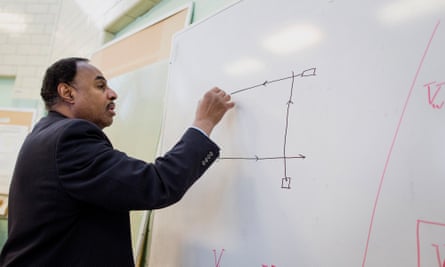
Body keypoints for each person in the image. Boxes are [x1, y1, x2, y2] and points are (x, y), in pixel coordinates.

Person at [0, 57, 234, 266]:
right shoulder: (70, 137)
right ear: (67, 93)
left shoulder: (43, 134)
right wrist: (203, 123)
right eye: (100, 86)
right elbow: (156, 184)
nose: (112, 94)